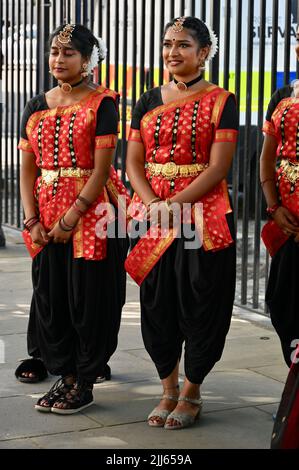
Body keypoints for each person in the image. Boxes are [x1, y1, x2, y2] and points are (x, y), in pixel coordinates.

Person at [125, 16, 238, 430]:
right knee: (158, 303)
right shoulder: (148, 99)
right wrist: (154, 201)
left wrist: (174, 202)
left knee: (201, 300)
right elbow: (133, 161)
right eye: (168, 43)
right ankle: (167, 387)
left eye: (184, 45)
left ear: (204, 52)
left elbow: (219, 166)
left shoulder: (222, 100)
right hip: (152, 214)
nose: (173, 52)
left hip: (203, 215)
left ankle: (192, 389)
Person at [17, 24, 129, 414]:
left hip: (93, 213)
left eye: (68, 53)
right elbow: (27, 169)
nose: (58, 60)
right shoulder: (36, 105)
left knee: (89, 298)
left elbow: (101, 169)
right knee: (51, 295)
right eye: (54, 52)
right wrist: (31, 219)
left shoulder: (103, 103)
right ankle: (64, 376)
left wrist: (72, 216)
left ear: (87, 60)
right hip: (45, 212)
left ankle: (84, 381)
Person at [260, 24, 299, 447]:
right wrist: (274, 206)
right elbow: (267, 159)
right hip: (288, 224)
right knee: (284, 306)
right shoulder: (284, 97)